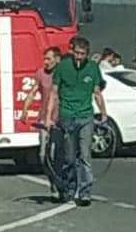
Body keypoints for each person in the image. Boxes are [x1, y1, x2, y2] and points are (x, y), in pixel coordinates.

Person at [53, 36, 108, 206]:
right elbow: (54, 93)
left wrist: (103, 113)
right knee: (69, 158)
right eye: (76, 53)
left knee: (85, 155)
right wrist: (50, 116)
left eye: (82, 54)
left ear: (87, 54)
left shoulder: (92, 68)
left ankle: (85, 192)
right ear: (72, 51)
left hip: (86, 116)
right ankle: (70, 187)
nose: (79, 57)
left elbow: (97, 92)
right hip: (67, 115)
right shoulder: (62, 67)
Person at [20, 46, 62, 196]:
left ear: (57, 59)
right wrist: (25, 109)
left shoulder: (63, 73)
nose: (46, 62)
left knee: (58, 155)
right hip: (44, 119)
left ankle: (62, 183)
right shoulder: (41, 73)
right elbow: (33, 92)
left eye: (49, 59)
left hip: (61, 118)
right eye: (44, 59)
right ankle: (53, 183)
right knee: (43, 156)